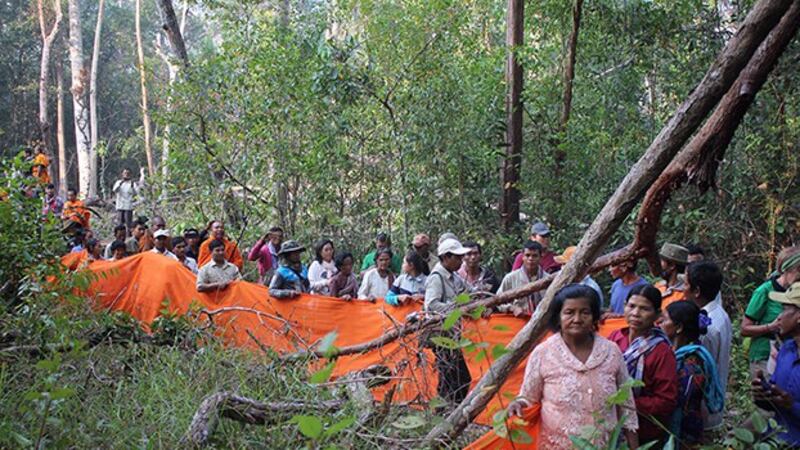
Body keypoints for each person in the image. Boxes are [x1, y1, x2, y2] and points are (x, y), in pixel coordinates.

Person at [507, 284, 638, 449]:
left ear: (595, 316)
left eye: (585, 312)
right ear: (558, 317)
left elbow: (627, 405)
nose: (577, 319)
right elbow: (528, 396)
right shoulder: (543, 353)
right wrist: (518, 403)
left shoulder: (611, 352)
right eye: (569, 312)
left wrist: (634, 446)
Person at [609, 284, 678, 445]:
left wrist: (624, 402)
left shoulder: (661, 352)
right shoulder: (616, 337)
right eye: (631, 306)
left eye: (644, 309)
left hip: (644, 431)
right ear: (625, 306)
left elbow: (666, 400)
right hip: (611, 424)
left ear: (657, 315)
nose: (635, 314)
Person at [659, 301, 724, 446]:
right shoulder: (675, 354)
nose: (660, 324)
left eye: (664, 320)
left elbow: (677, 398)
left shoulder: (692, 363)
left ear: (679, 328)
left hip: (684, 431)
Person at [425, 238, 472, 404]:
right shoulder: (437, 278)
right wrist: (457, 308)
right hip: (442, 336)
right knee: (454, 379)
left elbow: (469, 294)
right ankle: (446, 414)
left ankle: (446, 414)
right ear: (445, 257)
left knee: (454, 379)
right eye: (457, 258)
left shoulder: (453, 277)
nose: (461, 261)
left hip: (452, 336)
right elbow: (431, 305)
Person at [752, 282, 800, 446]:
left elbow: (789, 402)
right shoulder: (787, 350)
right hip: (775, 439)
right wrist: (764, 394)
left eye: (786, 309)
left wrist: (792, 405)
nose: (779, 316)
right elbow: (776, 395)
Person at [685, 260, 731, 431]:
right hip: (714, 405)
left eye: (685, 284)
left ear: (696, 291)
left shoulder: (706, 327)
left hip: (705, 407)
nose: (681, 289)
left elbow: (701, 373)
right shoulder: (721, 314)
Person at [743, 246, 800, 378]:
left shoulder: (795, 291)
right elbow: (744, 329)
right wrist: (771, 327)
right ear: (787, 270)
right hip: (763, 355)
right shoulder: (764, 291)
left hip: (789, 355)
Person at [497, 241, 544, 316]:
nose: (531, 259)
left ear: (541, 257)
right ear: (522, 257)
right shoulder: (510, 278)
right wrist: (512, 308)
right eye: (527, 255)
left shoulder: (548, 279)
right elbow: (498, 302)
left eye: (535, 256)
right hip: (518, 323)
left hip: (543, 323)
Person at [656, 243, 688, 307]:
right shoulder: (658, 286)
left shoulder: (684, 295)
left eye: (662, 261)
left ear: (672, 266)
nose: (659, 265)